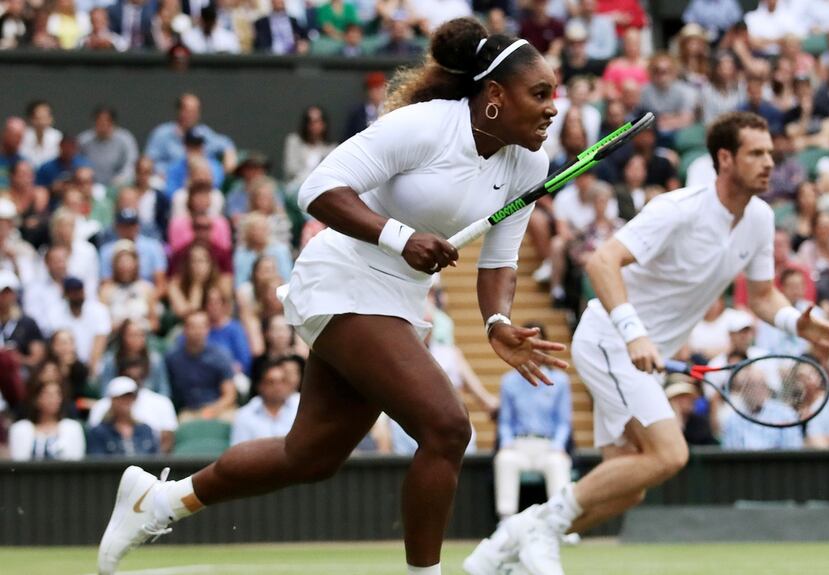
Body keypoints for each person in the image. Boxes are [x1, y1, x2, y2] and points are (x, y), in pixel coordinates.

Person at [98, 18, 564, 575]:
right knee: (447, 427)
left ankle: (159, 502)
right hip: (343, 278)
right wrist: (400, 236)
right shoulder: (424, 127)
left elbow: (500, 263)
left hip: (398, 301)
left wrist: (496, 323)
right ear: (493, 95)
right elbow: (316, 189)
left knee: (310, 456)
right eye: (539, 94)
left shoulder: (529, 164)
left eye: (553, 95)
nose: (552, 108)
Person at [466, 112, 829, 575]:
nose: (769, 163)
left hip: (643, 357)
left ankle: (506, 546)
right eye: (756, 153)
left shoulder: (760, 219)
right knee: (670, 454)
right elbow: (602, 262)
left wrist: (792, 320)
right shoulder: (679, 208)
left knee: (628, 485)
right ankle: (543, 531)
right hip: (611, 338)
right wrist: (634, 332)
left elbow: (763, 295)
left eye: (770, 153)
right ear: (725, 159)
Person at [493, 322, 572, 522]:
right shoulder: (509, 381)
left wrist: (558, 446)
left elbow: (564, 422)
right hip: (519, 444)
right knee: (505, 460)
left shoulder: (560, 380)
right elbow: (505, 421)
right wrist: (507, 444)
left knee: (557, 463)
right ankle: (506, 522)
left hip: (548, 445)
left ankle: (561, 523)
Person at [8, 369, 85, 461]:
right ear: (36, 399)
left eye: (57, 394)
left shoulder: (73, 428)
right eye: (48, 394)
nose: (54, 399)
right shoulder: (20, 429)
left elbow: (77, 465)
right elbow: (17, 466)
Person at [230, 359, 299, 446]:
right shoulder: (244, 415)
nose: (278, 387)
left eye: (282, 381)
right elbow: (239, 452)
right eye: (271, 382)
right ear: (260, 386)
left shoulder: (300, 408)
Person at [87, 377, 160, 457]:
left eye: (130, 397)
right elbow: (97, 463)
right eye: (121, 397)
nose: (126, 401)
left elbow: (155, 457)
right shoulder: (98, 432)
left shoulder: (145, 429)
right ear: (112, 400)